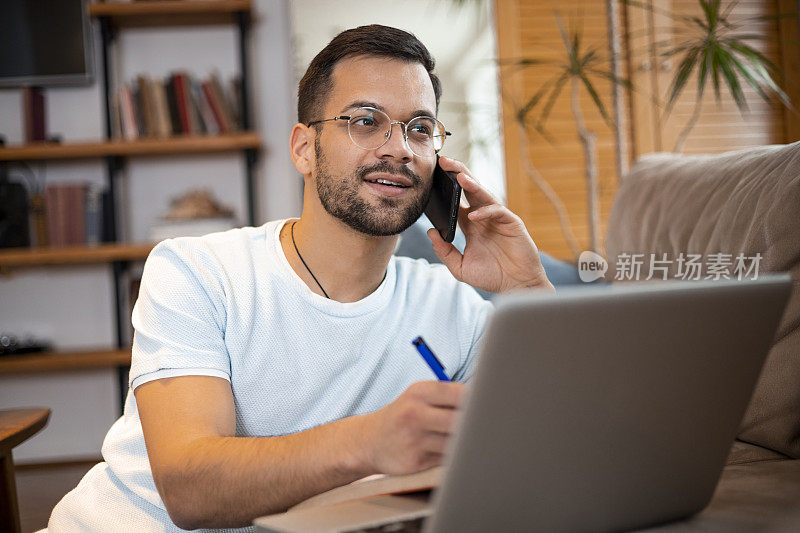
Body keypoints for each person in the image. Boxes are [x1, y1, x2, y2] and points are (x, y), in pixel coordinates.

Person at [46, 24, 553, 532]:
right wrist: (369, 442)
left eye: (419, 128)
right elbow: (189, 490)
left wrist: (527, 290)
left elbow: (562, 449)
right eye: (366, 121)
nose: (398, 148)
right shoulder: (196, 271)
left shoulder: (456, 308)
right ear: (304, 149)